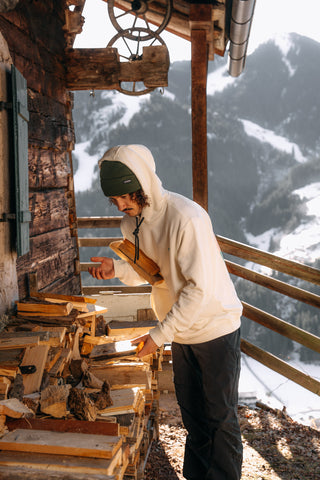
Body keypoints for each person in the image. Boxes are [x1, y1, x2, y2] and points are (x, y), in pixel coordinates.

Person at [88, 144, 243, 480]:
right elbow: (151, 273)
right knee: (194, 418)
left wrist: (158, 336)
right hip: (181, 330)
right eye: (114, 200)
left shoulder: (186, 218)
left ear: (142, 185)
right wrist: (116, 268)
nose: (121, 206)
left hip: (215, 328)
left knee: (220, 419)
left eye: (126, 197)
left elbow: (197, 290)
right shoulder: (131, 225)